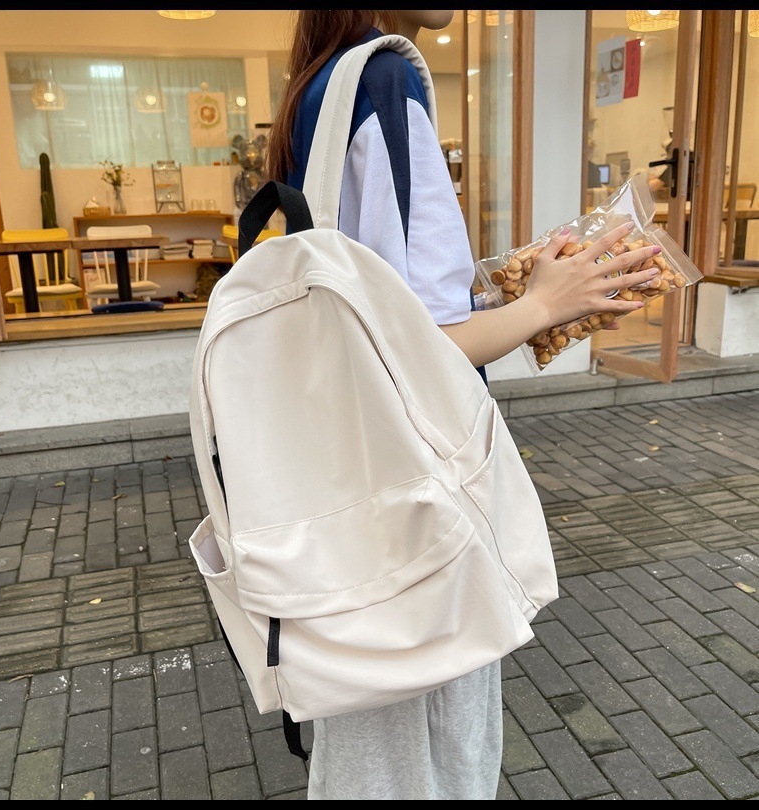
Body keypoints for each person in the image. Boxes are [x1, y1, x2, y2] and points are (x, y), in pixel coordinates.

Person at [265, 10, 663, 801]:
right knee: (435, 753)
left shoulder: (324, 85)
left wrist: (510, 291)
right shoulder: (385, 82)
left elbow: (380, 312)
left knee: (377, 738)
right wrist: (544, 306)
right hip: (420, 484)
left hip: (355, 474)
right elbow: (417, 352)